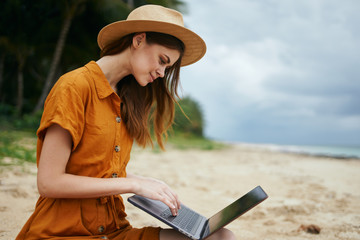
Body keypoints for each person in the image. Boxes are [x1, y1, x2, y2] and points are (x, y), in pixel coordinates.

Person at [16, 4, 236, 240]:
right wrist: (133, 185)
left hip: (113, 231)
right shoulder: (75, 86)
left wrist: (144, 182)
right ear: (138, 40)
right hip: (61, 232)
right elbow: (49, 182)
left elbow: (97, 170)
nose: (162, 73)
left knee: (221, 236)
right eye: (162, 60)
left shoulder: (126, 99)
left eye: (167, 66)